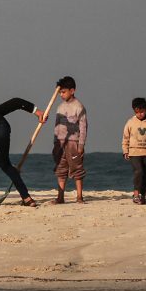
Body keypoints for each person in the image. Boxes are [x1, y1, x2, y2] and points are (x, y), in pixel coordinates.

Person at [51, 76, 87, 204]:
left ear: (72, 91)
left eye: (64, 92)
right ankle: (60, 197)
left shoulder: (79, 107)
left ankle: (79, 196)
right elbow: (56, 126)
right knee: (61, 169)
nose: (61, 94)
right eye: (60, 92)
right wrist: (55, 142)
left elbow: (83, 127)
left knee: (77, 168)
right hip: (60, 142)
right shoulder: (60, 107)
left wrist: (81, 145)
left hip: (73, 142)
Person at [121, 97, 146, 204]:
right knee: (139, 172)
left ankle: (143, 196)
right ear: (134, 111)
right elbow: (125, 137)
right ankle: (136, 194)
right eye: (137, 112)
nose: (140, 114)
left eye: (142, 111)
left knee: (145, 175)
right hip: (134, 152)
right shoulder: (130, 122)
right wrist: (125, 151)